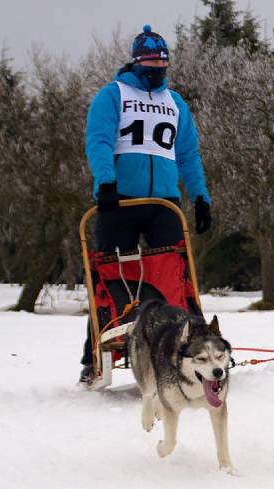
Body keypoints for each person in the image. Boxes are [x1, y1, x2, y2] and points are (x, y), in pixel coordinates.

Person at [79, 24, 212, 384]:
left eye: (161, 67)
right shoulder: (113, 94)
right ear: (136, 64)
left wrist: (200, 197)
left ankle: (188, 343)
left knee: (174, 273)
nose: (156, 73)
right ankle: (94, 356)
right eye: (150, 66)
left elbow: (188, 155)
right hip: (119, 199)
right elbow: (100, 140)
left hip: (163, 202)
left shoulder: (175, 102)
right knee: (109, 274)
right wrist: (105, 181)